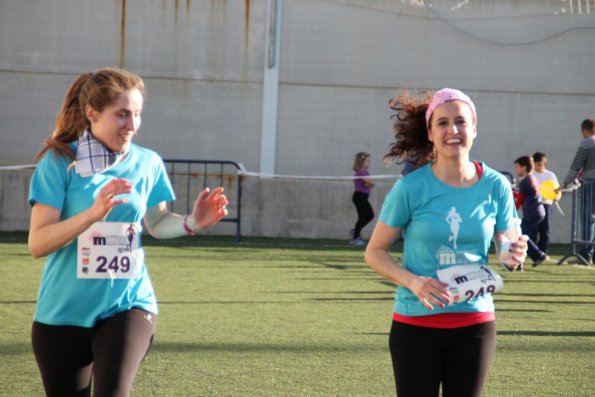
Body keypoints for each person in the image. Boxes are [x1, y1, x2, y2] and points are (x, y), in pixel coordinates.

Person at [28, 67, 229, 397]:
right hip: (61, 313)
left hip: (128, 306)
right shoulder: (58, 162)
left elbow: (157, 223)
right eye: (122, 115)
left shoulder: (147, 163)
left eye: (137, 114)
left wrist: (192, 222)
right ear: (92, 113)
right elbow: (38, 243)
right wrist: (93, 214)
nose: (132, 126)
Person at [365, 88, 528, 397]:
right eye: (442, 123)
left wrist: (513, 255)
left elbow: (508, 247)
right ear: (430, 133)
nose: (453, 130)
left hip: (475, 323)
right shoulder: (410, 188)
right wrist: (413, 282)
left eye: (461, 121)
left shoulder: (497, 185)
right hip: (415, 324)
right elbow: (374, 252)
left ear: (474, 127)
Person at [558, 118, 595, 265]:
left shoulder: (587, 142)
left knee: (587, 220)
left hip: (590, 186)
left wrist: (564, 183)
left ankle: (586, 253)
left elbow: (576, 165)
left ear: (584, 130)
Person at [513, 156, 549, 267]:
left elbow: (520, 199)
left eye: (517, 167)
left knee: (520, 235)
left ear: (524, 167)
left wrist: (513, 206)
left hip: (532, 213)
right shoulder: (532, 179)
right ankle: (531, 257)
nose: (516, 170)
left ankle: (538, 255)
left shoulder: (526, 181)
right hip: (538, 212)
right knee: (524, 235)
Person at [532, 152, 561, 259]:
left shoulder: (550, 175)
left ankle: (543, 251)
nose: (537, 167)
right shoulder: (531, 175)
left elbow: (557, 191)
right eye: (535, 164)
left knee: (546, 230)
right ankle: (533, 251)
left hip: (546, 205)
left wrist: (556, 197)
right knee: (533, 230)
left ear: (545, 164)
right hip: (534, 206)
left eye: (540, 164)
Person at [350, 152, 375, 246]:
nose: (369, 163)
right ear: (361, 162)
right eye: (367, 161)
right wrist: (369, 183)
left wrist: (369, 183)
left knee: (370, 215)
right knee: (362, 217)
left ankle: (355, 231)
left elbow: (370, 183)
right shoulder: (360, 172)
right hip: (359, 196)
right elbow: (371, 183)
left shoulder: (366, 173)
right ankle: (355, 239)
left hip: (364, 197)